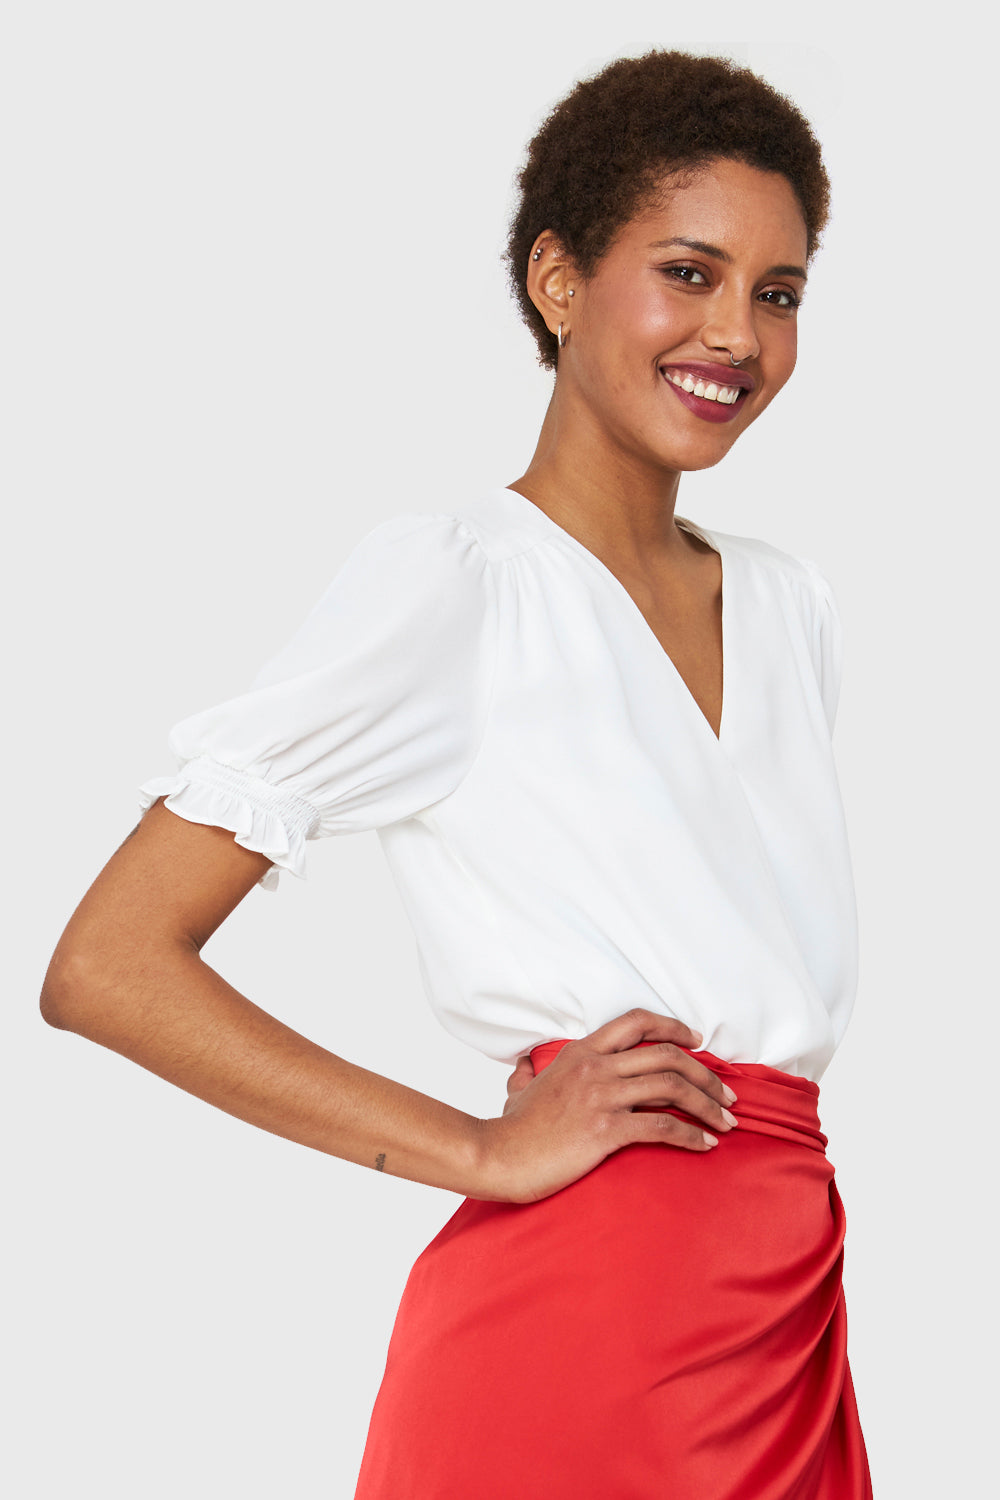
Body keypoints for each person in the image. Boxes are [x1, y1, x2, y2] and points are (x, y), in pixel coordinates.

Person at [40, 49, 872, 1499]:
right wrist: (479, 1152)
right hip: (580, 1322)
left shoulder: (788, 605)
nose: (736, 333)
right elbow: (108, 964)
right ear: (559, 280)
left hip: (780, 1316)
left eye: (779, 292)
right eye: (688, 273)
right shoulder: (464, 586)